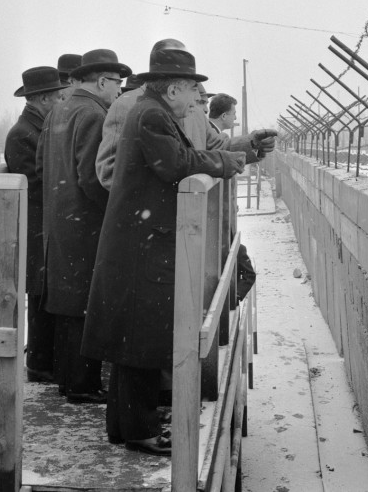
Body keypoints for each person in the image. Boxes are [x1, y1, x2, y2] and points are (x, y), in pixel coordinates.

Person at [82, 40, 247, 455]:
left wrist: (228, 156)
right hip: (142, 244)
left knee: (129, 340)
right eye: (193, 91)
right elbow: (176, 164)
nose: (197, 101)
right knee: (140, 341)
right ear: (173, 89)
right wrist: (224, 164)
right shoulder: (152, 114)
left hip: (137, 240)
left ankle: (126, 427)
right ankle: (141, 431)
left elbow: (184, 155)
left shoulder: (149, 111)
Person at [37, 48, 131, 404]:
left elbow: (43, 166)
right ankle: (82, 384)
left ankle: (67, 379)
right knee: (85, 304)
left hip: (60, 222)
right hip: (87, 224)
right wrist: (115, 212)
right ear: (103, 81)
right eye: (117, 83)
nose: (119, 90)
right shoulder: (93, 113)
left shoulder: (58, 109)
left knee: (66, 304)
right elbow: (92, 177)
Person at [95, 39, 277, 190]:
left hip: (191, 218)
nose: (196, 96)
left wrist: (252, 144)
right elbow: (110, 172)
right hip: (154, 221)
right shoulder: (126, 106)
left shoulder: (192, 110)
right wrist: (168, 194)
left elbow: (218, 146)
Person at [4, 67, 68, 383]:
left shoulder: (40, 127)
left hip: (46, 226)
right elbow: (36, 183)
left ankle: (47, 360)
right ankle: (41, 364)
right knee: (41, 295)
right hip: (36, 227)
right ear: (42, 98)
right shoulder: (22, 134)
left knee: (48, 293)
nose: (61, 100)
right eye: (57, 96)